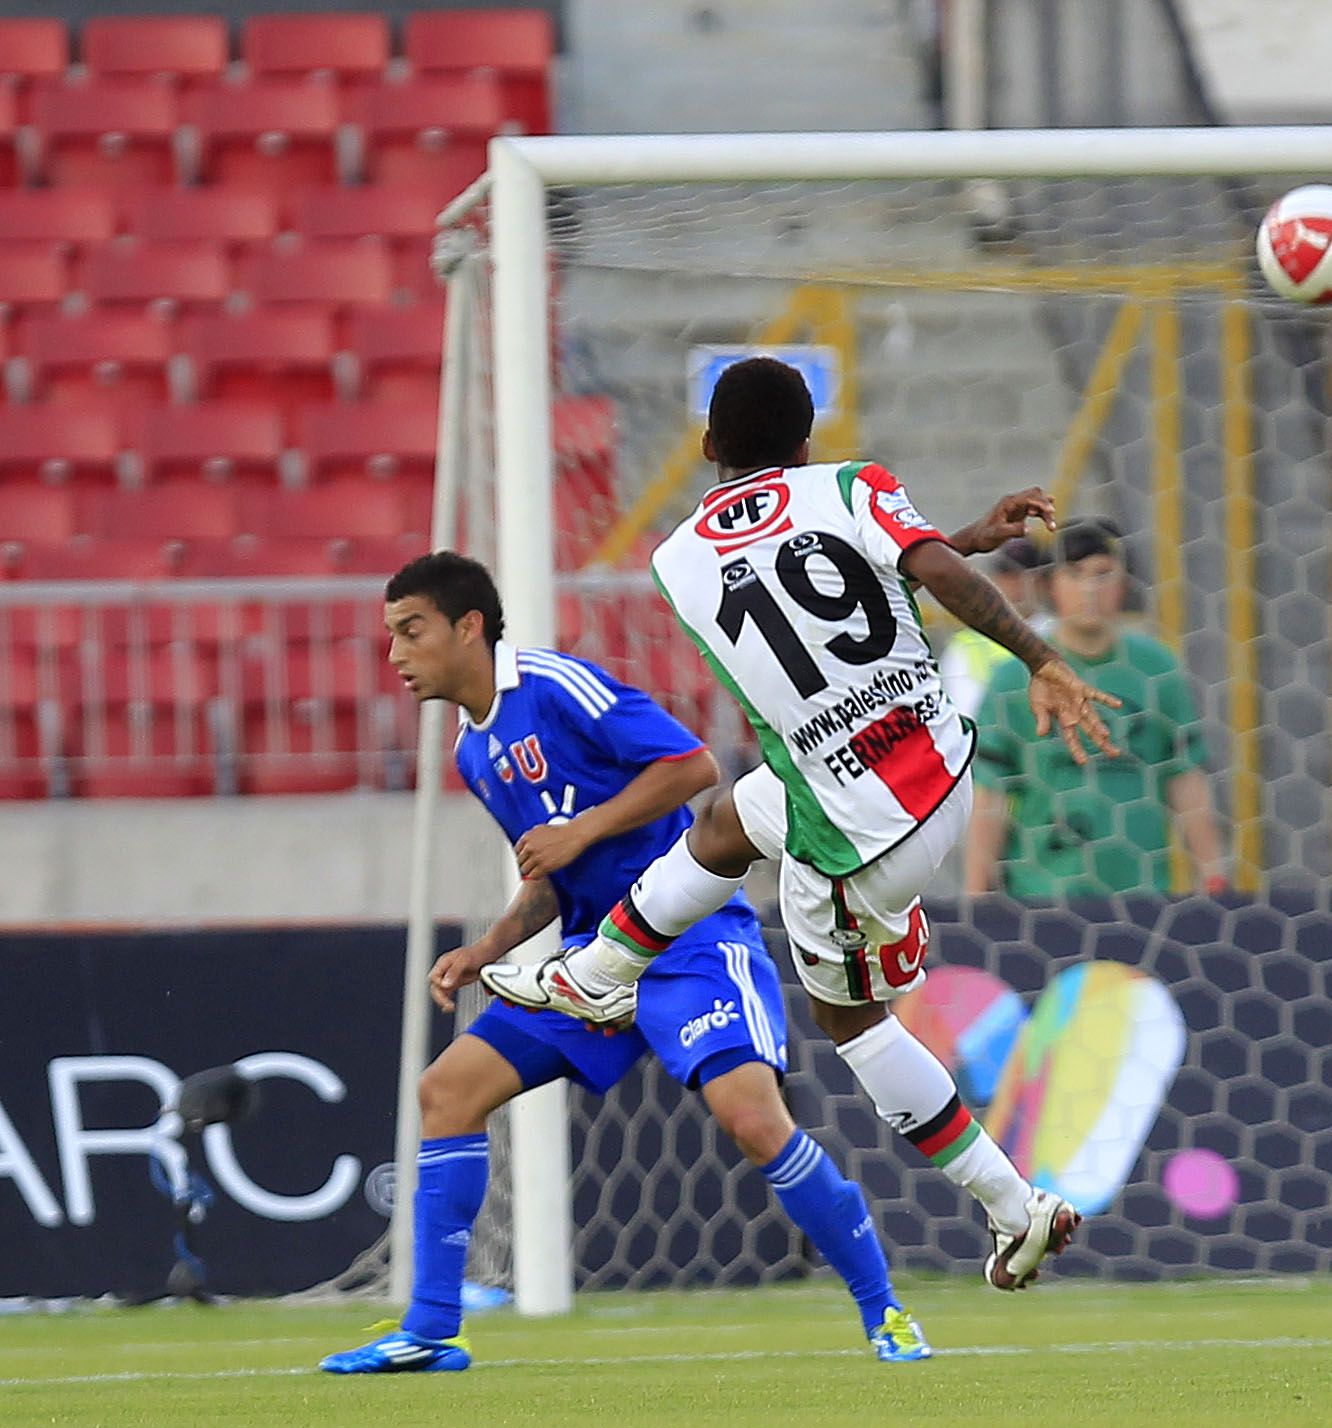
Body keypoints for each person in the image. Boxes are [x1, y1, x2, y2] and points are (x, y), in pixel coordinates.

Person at [480, 356, 1119, 1302]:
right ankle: (604, 971)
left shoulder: (677, 560)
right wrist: (1033, 646)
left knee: (850, 1020)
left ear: (706, 448)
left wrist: (981, 583)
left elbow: (792, 596)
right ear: (809, 441)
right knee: (729, 817)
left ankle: (1013, 1205)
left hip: (854, 834)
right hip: (939, 766)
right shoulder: (854, 485)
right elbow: (902, 570)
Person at [325, 552, 930, 1373]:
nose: (395, 652)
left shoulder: (553, 687)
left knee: (753, 1120)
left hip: (691, 938)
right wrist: (485, 950)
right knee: (448, 1092)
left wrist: (582, 828)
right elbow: (552, 878)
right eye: (391, 635)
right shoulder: (475, 751)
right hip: (594, 959)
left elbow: (694, 768)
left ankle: (885, 1311)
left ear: (468, 627)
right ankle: (433, 1331)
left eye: (410, 630)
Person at [961, 519, 1226, 900]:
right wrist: (976, 898)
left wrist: (1214, 878)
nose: (1090, 589)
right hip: (1040, 897)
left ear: (1125, 584)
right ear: (1051, 584)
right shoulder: (1016, 677)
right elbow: (990, 794)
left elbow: (1185, 778)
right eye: (1075, 574)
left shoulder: (1158, 669)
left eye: (1103, 575)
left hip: (1144, 897)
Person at [937, 536, 1051, 720]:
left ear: (1044, 581)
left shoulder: (1061, 633)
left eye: (1026, 573)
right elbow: (963, 713)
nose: (1016, 583)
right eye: (1007, 574)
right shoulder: (965, 646)